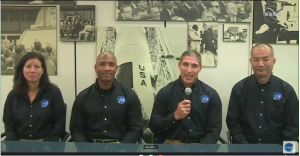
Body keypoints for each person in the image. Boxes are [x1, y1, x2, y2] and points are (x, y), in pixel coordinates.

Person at [226, 43, 299, 144]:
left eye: (265, 59)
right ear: (250, 62)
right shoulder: (239, 89)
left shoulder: (287, 90)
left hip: (278, 149)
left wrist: (277, 149)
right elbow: (232, 122)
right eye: (256, 60)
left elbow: (292, 126)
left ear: (273, 61)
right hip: (244, 148)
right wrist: (245, 146)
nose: (260, 64)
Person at [149, 50, 222, 144]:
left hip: (200, 147)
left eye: (194, 66)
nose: (189, 70)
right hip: (171, 145)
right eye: (185, 64)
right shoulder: (165, 93)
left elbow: (214, 130)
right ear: (179, 65)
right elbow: (154, 126)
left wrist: (204, 150)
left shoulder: (211, 95)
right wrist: (174, 116)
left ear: (200, 68)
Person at [69, 52, 143, 143]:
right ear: (95, 68)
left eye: (111, 65)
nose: (107, 68)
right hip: (91, 149)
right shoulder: (82, 97)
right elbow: (76, 130)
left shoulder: (130, 96)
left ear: (116, 68)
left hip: (121, 148)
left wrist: (122, 149)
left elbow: (136, 128)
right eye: (102, 64)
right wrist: (86, 150)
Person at [2, 52, 66, 141]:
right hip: (19, 143)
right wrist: (15, 146)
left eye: (37, 67)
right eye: (28, 66)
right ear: (22, 70)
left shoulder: (53, 93)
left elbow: (59, 123)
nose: (32, 70)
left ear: (42, 70)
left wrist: (47, 144)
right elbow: (9, 124)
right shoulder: (13, 95)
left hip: (47, 144)